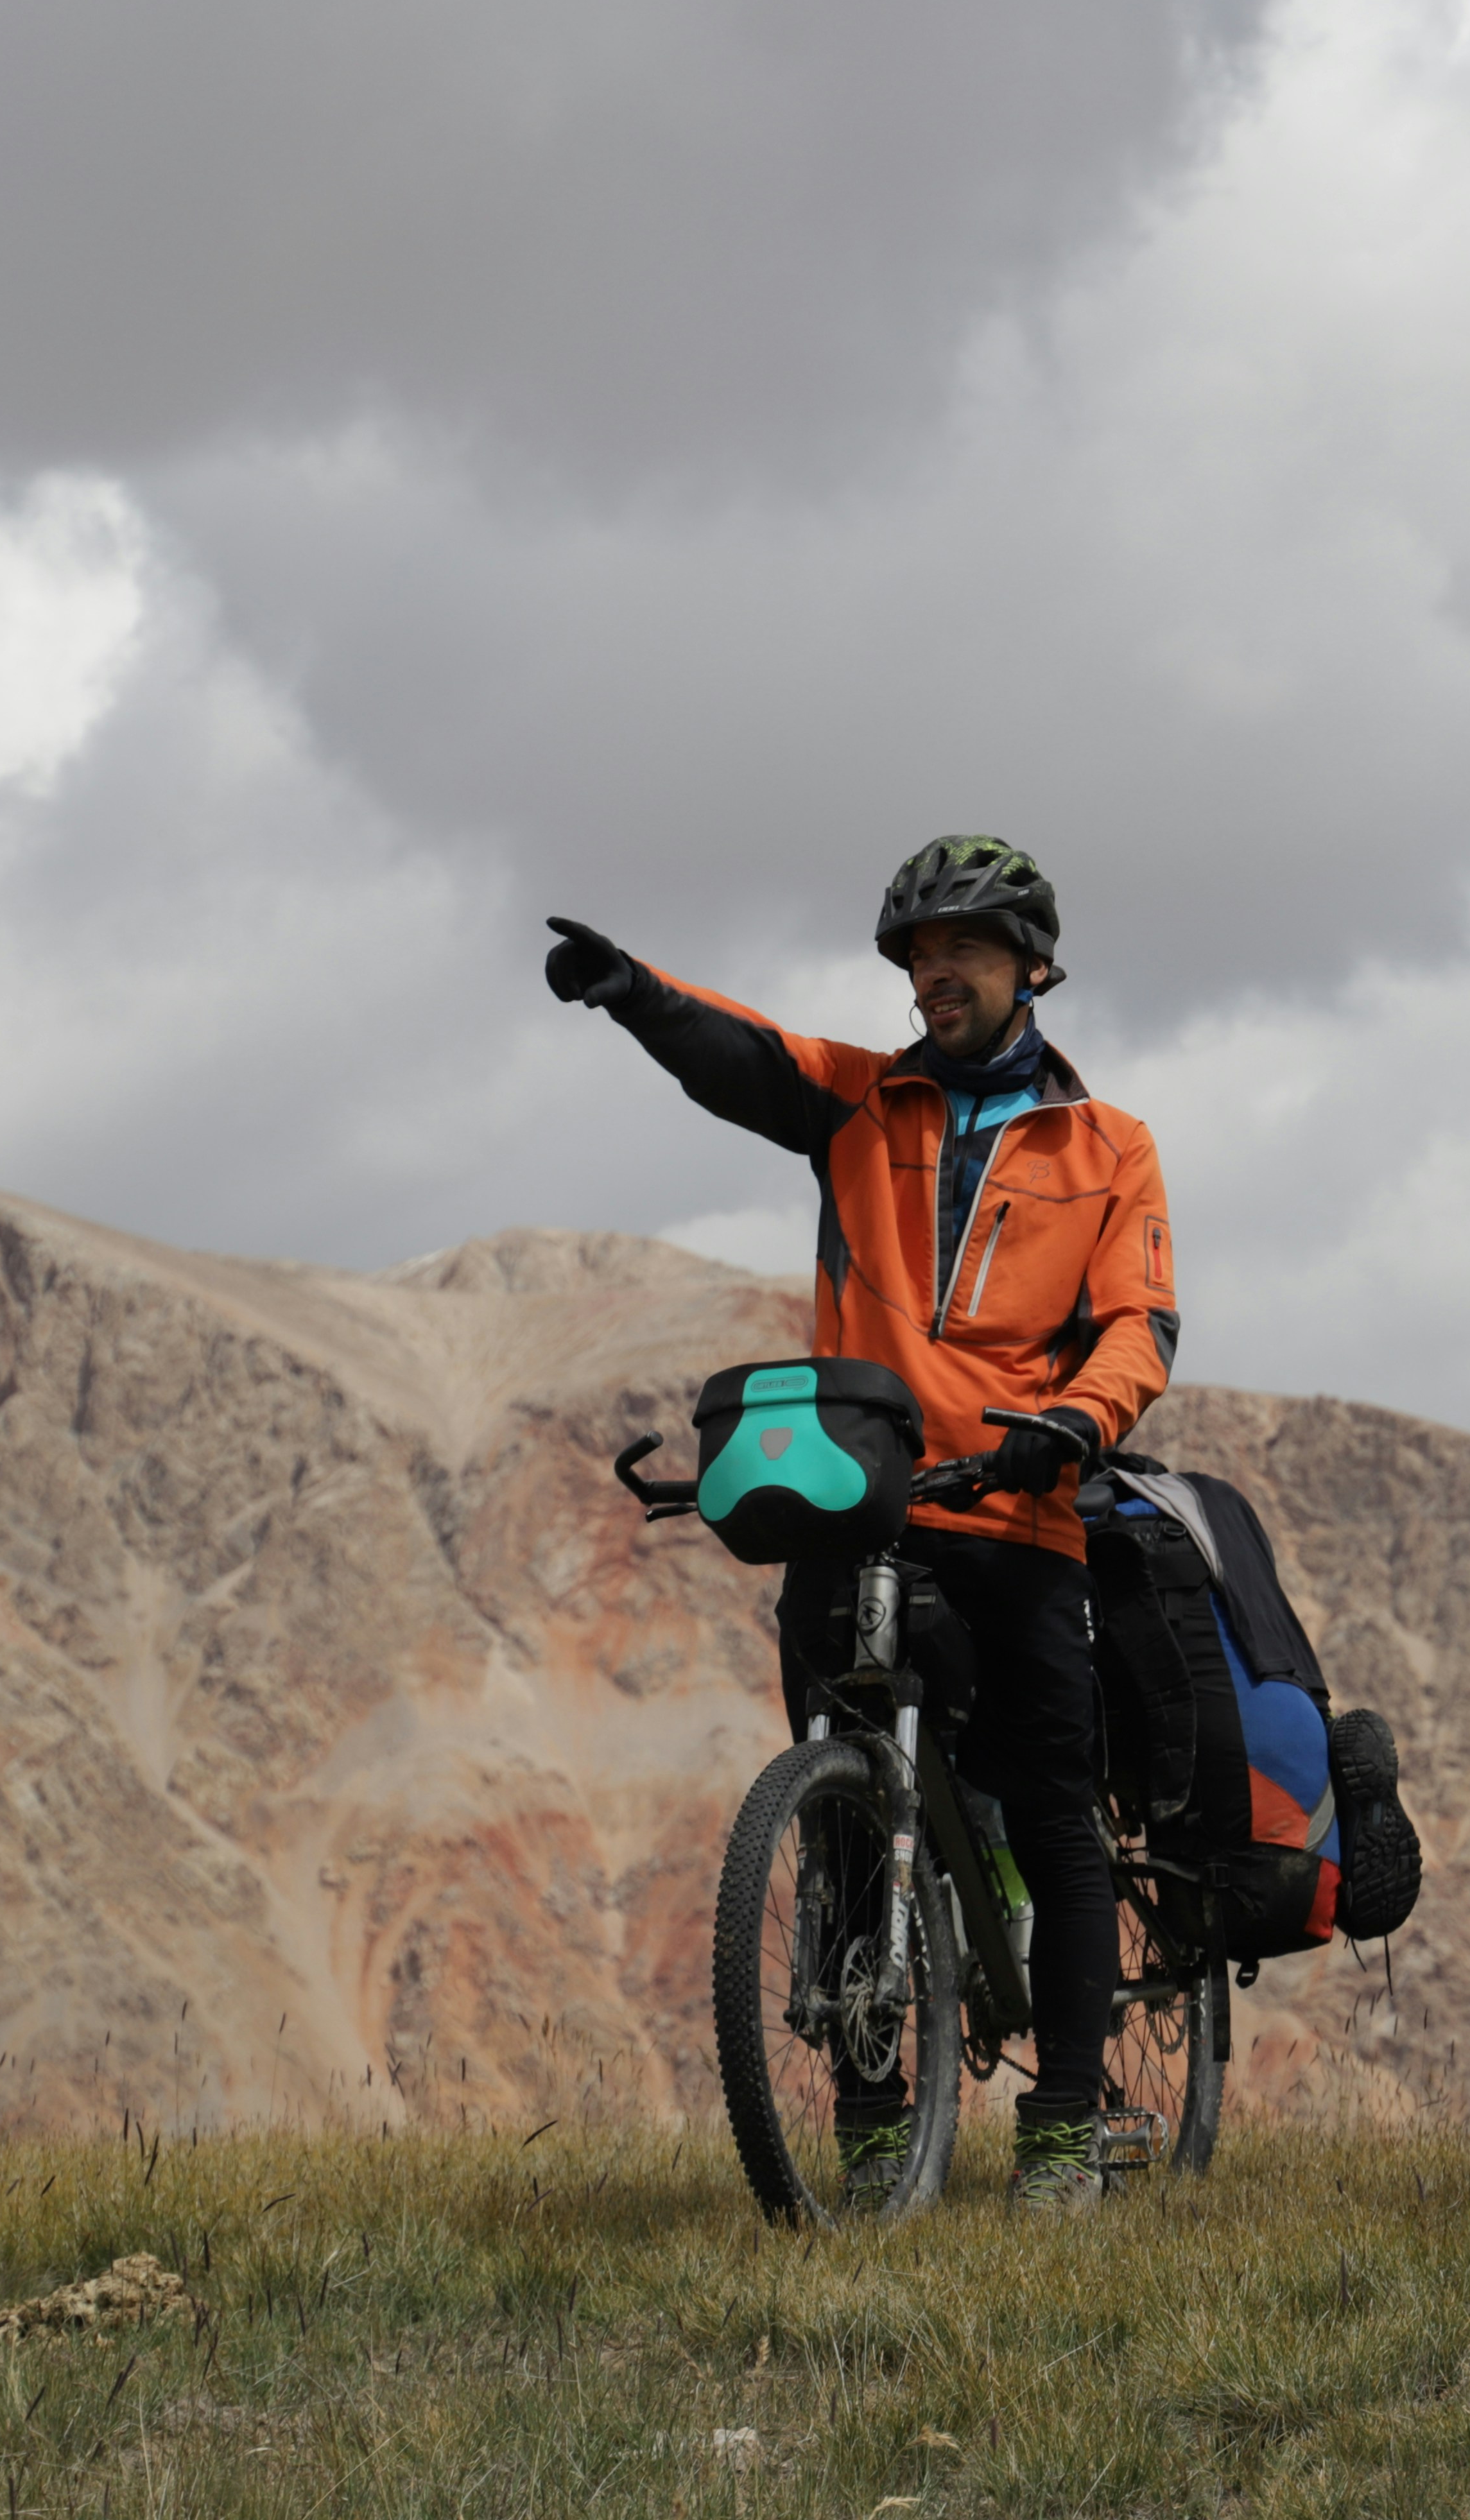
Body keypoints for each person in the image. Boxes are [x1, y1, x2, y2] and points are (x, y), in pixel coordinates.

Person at [542, 836, 1176, 2216]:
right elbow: (746, 1053)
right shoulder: (859, 1105)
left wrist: (1079, 1417)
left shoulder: (1108, 1146)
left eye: (960, 950)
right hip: (860, 1497)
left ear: (1032, 966)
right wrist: (635, 993)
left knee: (1061, 1818)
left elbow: (1140, 1323)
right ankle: (876, 2131)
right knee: (838, 1805)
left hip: (1021, 1513)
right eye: (913, 955)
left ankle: (1065, 2128)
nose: (930, 975)